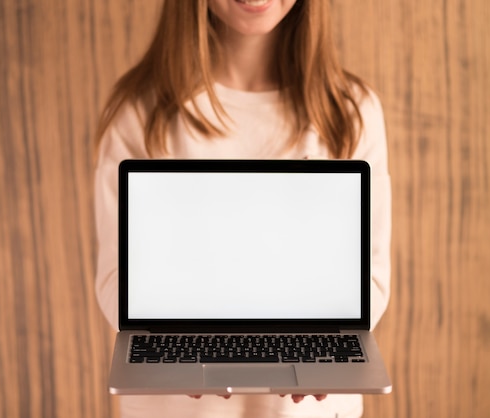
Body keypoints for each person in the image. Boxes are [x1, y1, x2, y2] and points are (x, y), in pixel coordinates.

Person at [93, 1, 391, 417]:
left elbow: (370, 279)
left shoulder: (349, 111)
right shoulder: (141, 111)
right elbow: (116, 279)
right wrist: (187, 342)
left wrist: (326, 341)